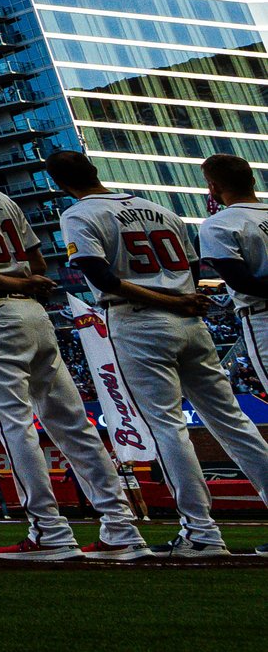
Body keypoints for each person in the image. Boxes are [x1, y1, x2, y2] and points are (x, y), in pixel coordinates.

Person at [0, 131, 148, 562]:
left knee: (14, 423)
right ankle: (120, 526)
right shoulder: (4, 199)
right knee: (72, 422)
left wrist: (14, 281)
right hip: (34, 314)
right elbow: (38, 263)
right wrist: (23, 281)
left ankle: (49, 529)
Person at [51, 149, 268, 557]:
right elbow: (191, 266)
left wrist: (168, 301)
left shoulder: (79, 214)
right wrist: (182, 300)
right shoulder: (156, 208)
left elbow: (103, 278)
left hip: (140, 321)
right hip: (189, 319)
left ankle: (201, 532)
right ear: (95, 170)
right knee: (233, 421)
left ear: (61, 184)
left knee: (167, 426)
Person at [196, 153, 267, 400]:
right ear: (252, 181)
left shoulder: (219, 223)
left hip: (262, 315)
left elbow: (241, 282)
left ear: (213, 186)